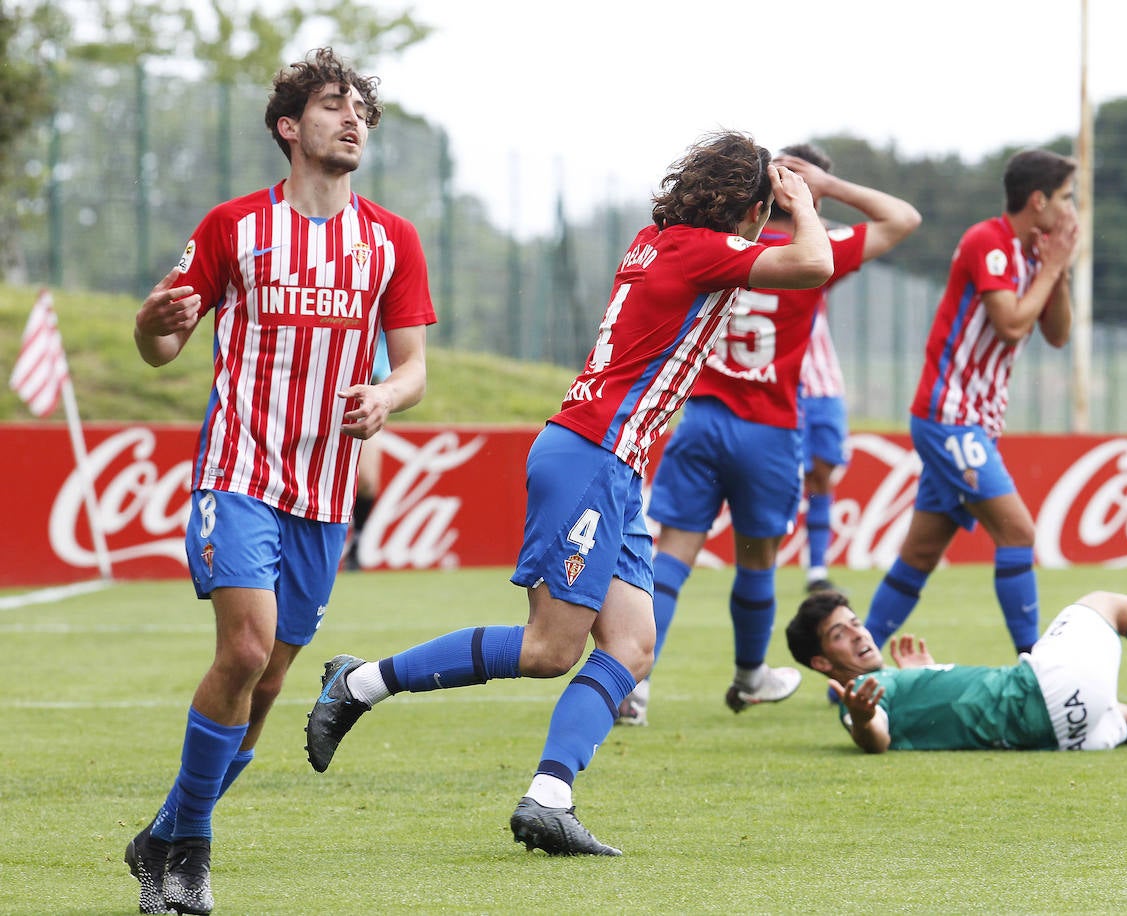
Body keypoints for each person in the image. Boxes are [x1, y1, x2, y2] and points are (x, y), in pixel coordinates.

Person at [303, 131, 834, 857]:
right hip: (591, 456)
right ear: (745, 205)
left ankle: (549, 798)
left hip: (609, 464)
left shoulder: (662, 240)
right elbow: (815, 261)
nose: (766, 221)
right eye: (764, 207)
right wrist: (802, 202)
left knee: (633, 643)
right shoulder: (697, 249)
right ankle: (360, 683)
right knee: (552, 648)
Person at [123, 48, 435, 915]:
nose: (353, 120)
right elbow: (160, 345)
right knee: (247, 648)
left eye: (361, 111)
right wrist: (151, 321)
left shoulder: (392, 240)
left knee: (265, 689)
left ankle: (163, 834)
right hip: (241, 468)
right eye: (335, 106)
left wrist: (386, 395)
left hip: (325, 494)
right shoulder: (234, 227)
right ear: (289, 127)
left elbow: (413, 370)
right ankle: (191, 853)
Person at [622, 144, 920, 725]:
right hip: (770, 431)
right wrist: (825, 192)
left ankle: (633, 685)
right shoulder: (810, 250)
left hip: (703, 419)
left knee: (674, 557)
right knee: (757, 562)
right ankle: (750, 674)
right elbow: (902, 219)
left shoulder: (717, 246)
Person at [864, 149, 1079, 658]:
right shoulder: (989, 241)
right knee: (1019, 532)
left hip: (975, 422)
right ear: (1038, 199)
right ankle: (1034, 661)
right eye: (1067, 198)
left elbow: (1056, 333)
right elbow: (1008, 322)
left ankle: (855, 666)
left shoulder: (1036, 256)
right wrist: (1051, 269)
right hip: (949, 418)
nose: (1073, 210)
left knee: (920, 552)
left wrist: (1059, 270)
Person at [786, 589, 1127, 754]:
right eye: (841, 634)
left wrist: (928, 672)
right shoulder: (861, 692)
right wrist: (860, 718)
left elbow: (919, 713)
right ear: (820, 663)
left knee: (1125, 716)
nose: (859, 633)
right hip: (1039, 693)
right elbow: (875, 736)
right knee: (1104, 604)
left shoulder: (895, 684)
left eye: (856, 623)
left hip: (1065, 734)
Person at [798, 305, 848, 593]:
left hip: (826, 391)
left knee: (821, 480)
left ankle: (817, 570)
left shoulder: (814, 272)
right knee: (782, 481)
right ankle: (758, 565)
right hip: (785, 390)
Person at [344, 336, 391, 571]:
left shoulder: (384, 324)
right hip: (330, 394)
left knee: (367, 482)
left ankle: (356, 543)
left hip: (369, 400)